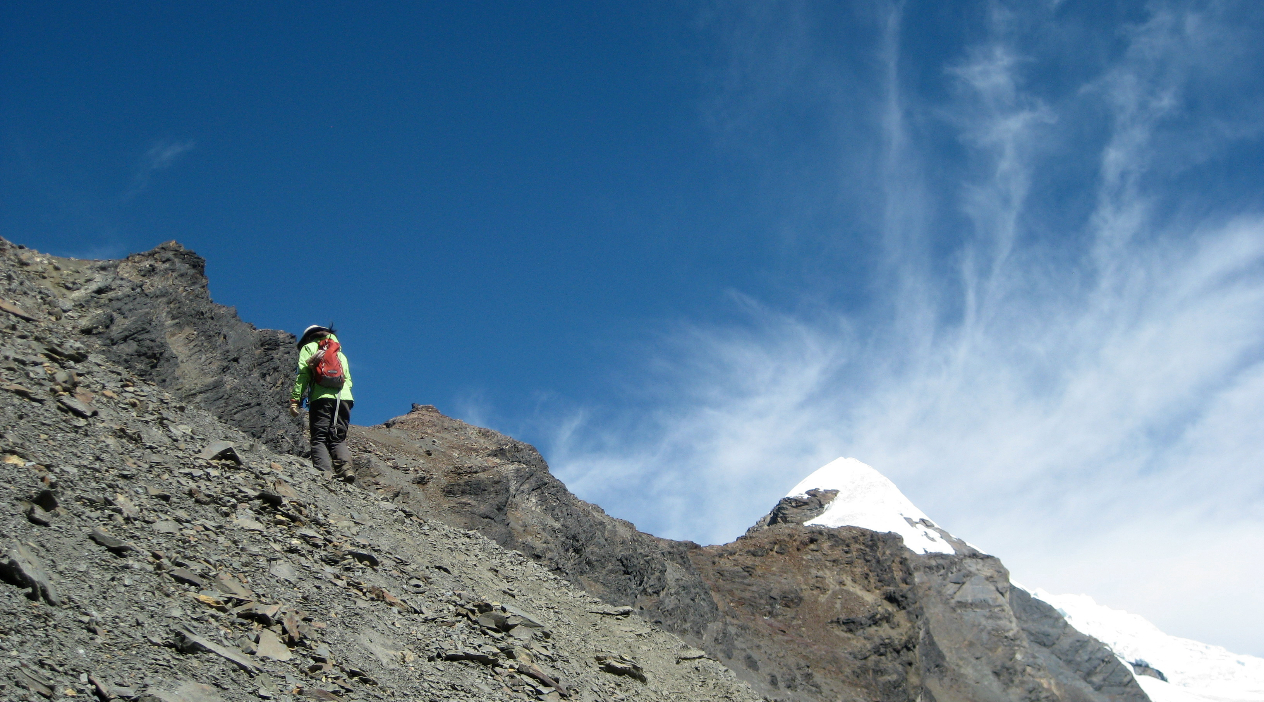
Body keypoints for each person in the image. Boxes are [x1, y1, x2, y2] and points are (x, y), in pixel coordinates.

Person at [289, 325, 354, 476]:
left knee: (319, 438)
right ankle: (346, 470)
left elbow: (303, 376)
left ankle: (324, 474)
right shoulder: (339, 353)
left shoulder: (309, 348)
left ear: (308, 337)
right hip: (344, 398)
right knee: (338, 437)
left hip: (320, 398)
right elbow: (348, 380)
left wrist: (295, 400)